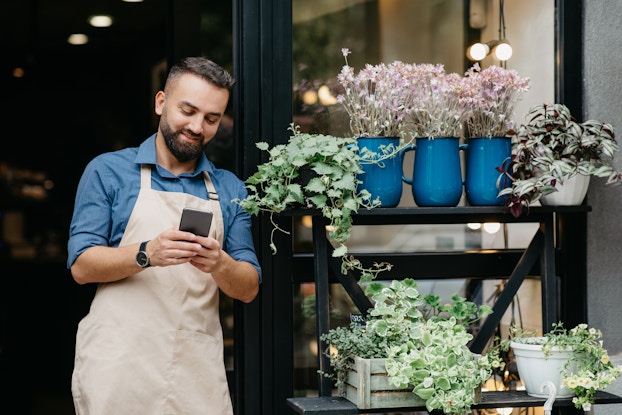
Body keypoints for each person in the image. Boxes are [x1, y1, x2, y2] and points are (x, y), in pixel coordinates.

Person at [67, 56, 261, 414]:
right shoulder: (108, 172)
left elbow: (248, 288)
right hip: (118, 367)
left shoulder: (229, 188)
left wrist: (219, 263)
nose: (197, 126)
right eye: (187, 110)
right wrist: (147, 253)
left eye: (211, 118)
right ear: (160, 102)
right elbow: (82, 266)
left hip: (194, 371)